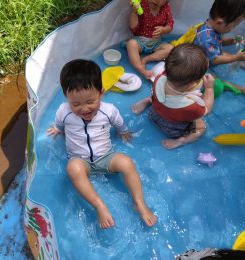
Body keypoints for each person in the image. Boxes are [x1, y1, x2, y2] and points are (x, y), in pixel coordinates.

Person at [47, 59, 157, 229]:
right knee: (72, 168)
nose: (84, 109)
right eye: (75, 104)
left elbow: (119, 123)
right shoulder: (63, 112)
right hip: (81, 161)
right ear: (66, 98)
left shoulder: (109, 110)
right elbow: (60, 126)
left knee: (126, 162)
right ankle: (99, 204)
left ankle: (139, 203)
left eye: (90, 102)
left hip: (106, 157)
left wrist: (123, 132)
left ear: (101, 93)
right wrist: (57, 130)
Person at [131, 43, 215, 149]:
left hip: (154, 114)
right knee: (201, 126)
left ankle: (147, 101)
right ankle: (181, 141)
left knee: (158, 96)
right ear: (193, 84)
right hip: (172, 129)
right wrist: (209, 89)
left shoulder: (159, 78)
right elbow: (207, 108)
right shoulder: (192, 106)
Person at [127, 0, 174, 78]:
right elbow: (133, 28)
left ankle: (147, 59)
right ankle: (141, 69)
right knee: (131, 44)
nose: (157, 0)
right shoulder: (141, 4)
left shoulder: (165, 7)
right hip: (140, 42)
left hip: (156, 43)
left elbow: (170, 25)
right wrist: (133, 13)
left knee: (170, 48)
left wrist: (163, 30)